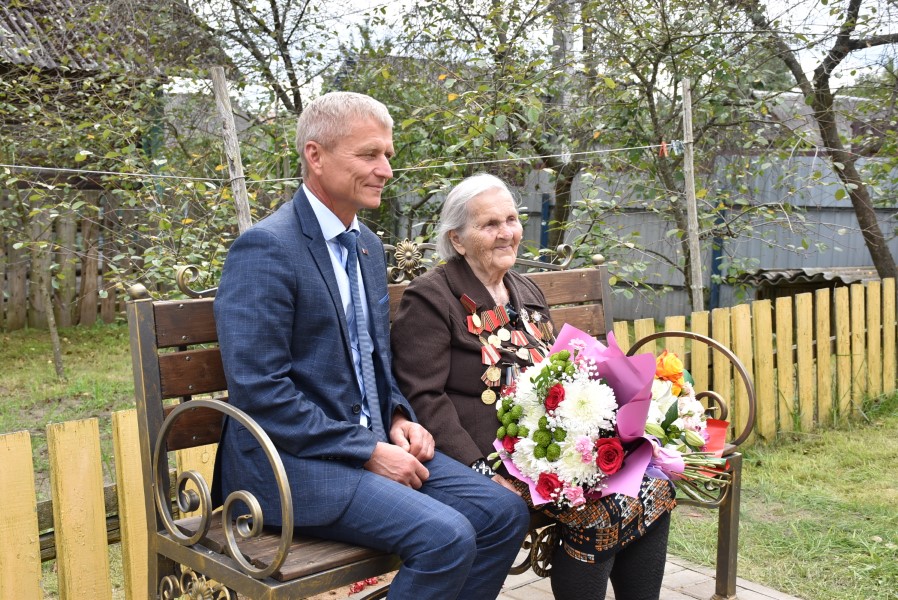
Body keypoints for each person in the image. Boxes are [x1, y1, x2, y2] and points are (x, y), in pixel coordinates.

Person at [213, 94, 530, 599]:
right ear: (316, 156)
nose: (386, 170)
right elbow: (260, 391)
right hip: (291, 465)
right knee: (446, 537)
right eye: (369, 155)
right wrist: (368, 450)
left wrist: (399, 416)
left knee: (503, 513)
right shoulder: (268, 249)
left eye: (387, 155)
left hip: (368, 444)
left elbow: (372, 361)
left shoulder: (366, 246)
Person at [391, 173, 677, 600]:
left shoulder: (523, 288)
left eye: (511, 219)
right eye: (490, 224)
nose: (507, 232)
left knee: (654, 488)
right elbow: (423, 397)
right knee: (600, 513)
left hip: (552, 448)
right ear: (457, 240)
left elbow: (556, 368)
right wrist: (480, 469)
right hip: (489, 458)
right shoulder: (432, 297)